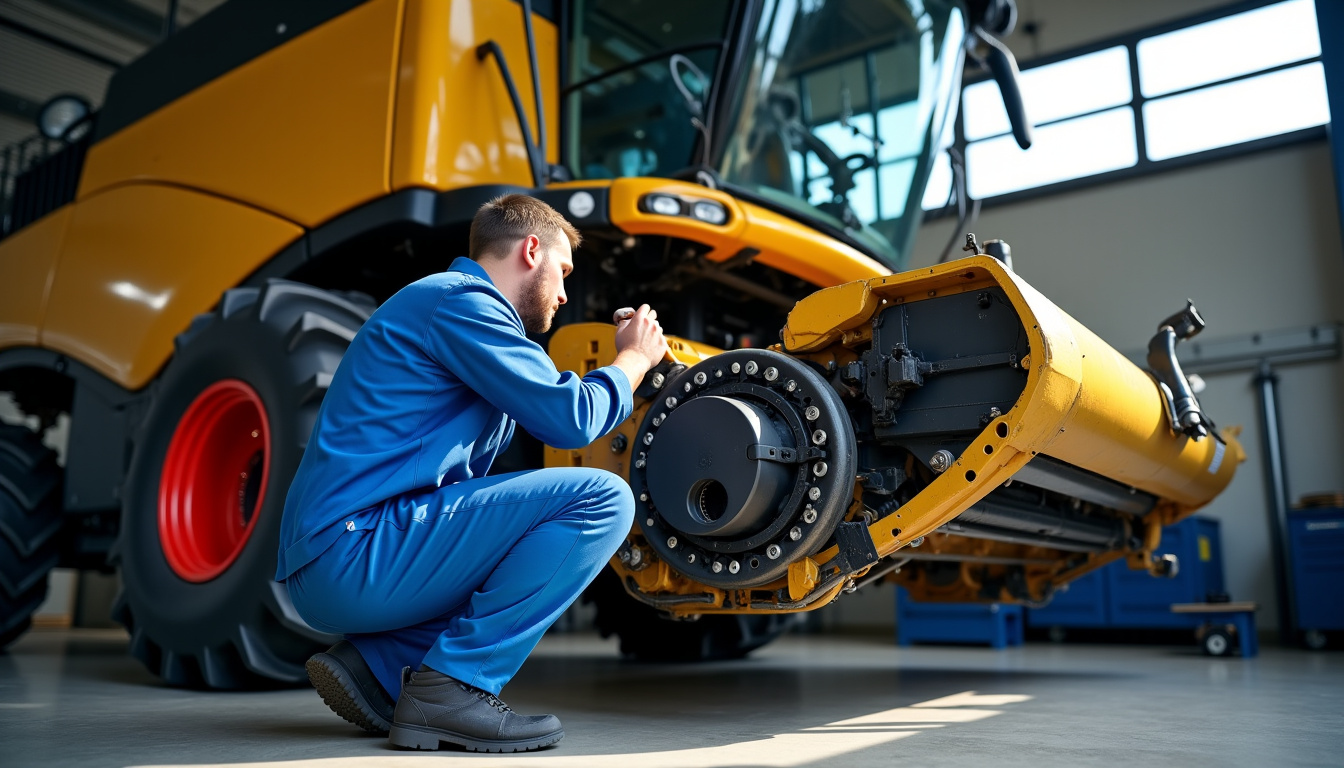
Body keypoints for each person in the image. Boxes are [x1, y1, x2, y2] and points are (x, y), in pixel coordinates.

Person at [275, 194, 668, 752]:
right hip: (354, 552)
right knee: (603, 498)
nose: (563, 293)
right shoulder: (459, 302)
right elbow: (571, 417)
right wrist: (634, 360)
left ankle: (380, 667)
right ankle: (455, 688)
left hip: (346, 556)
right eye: (562, 271)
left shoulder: (457, 314)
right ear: (530, 250)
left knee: (514, 535)